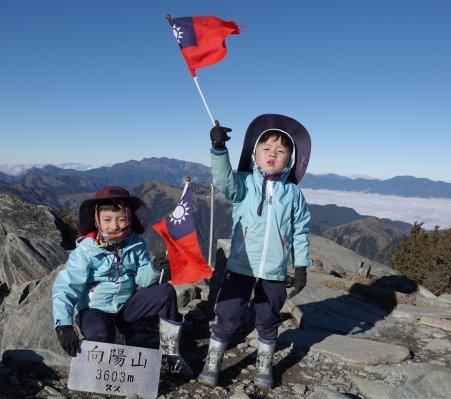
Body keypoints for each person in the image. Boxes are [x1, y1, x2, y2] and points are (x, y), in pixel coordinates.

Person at [198, 114, 313, 388]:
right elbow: (223, 181)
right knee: (228, 311)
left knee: (268, 316)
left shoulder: (294, 195)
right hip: (241, 264)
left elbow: (300, 231)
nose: (273, 154)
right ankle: (212, 361)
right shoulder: (244, 183)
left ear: (290, 160)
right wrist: (218, 149)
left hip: (274, 269)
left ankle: (264, 365)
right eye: (266, 149)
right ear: (254, 154)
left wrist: (300, 267)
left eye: (281, 151)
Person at [51, 186, 192, 380]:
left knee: (165, 292)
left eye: (121, 219)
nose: (114, 225)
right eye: (107, 220)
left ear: (130, 218)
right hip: (94, 310)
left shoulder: (136, 243)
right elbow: (66, 287)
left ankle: (170, 353)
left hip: (127, 306)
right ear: (97, 220)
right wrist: (63, 326)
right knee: (99, 333)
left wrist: (154, 267)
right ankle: (116, 339)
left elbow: (142, 279)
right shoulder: (86, 251)